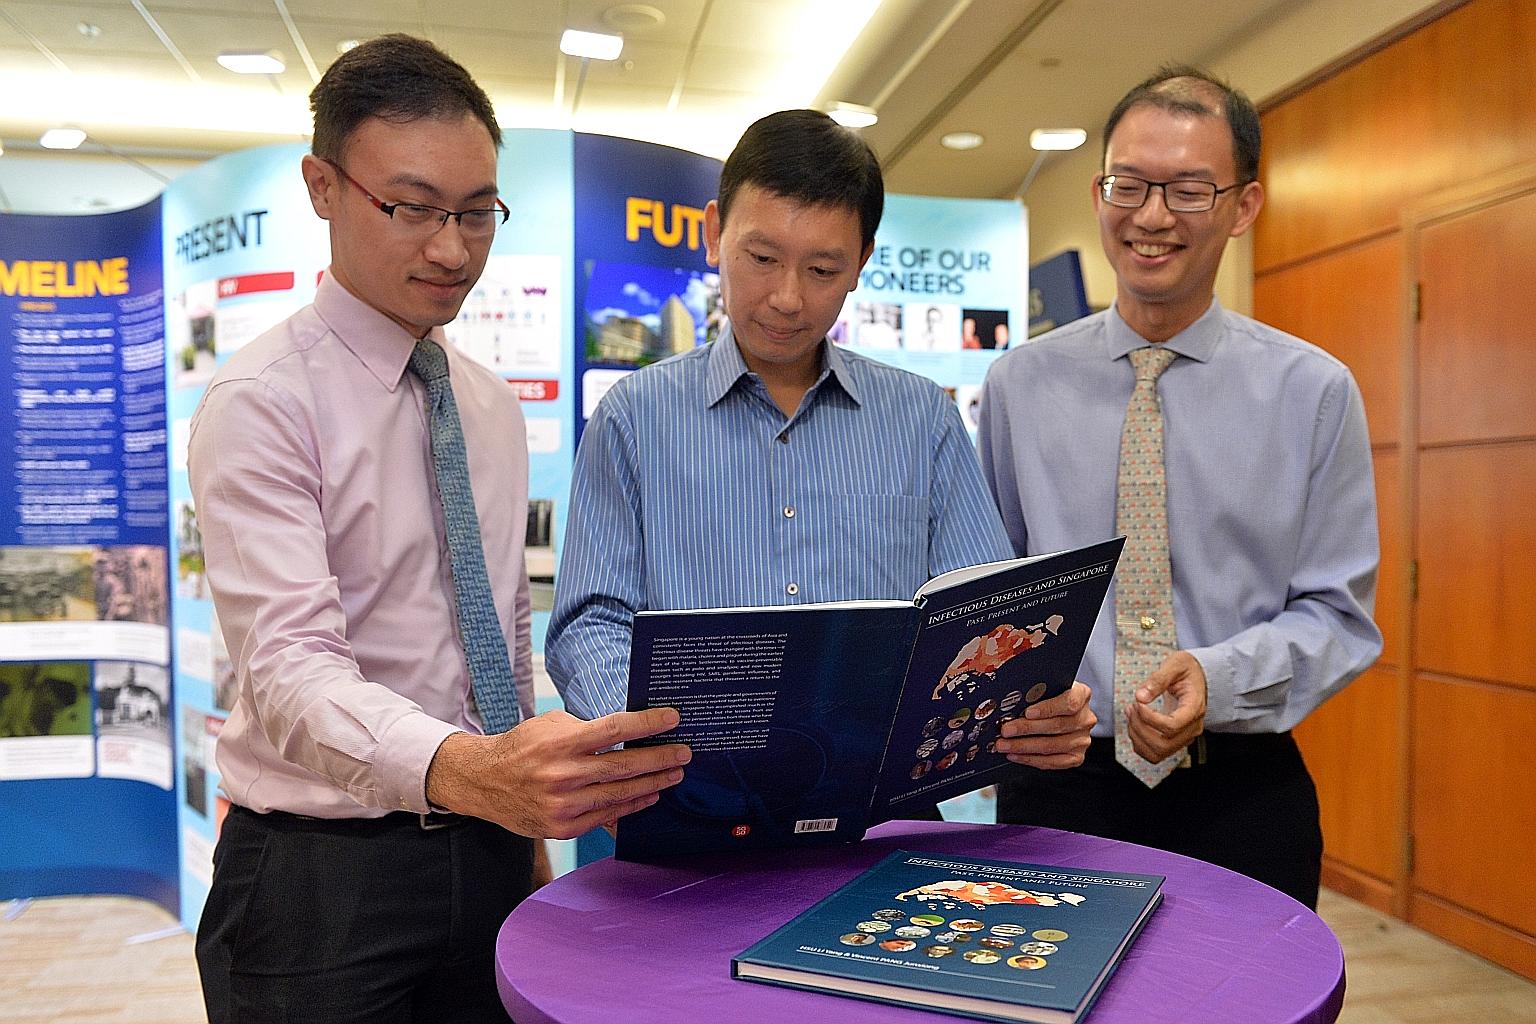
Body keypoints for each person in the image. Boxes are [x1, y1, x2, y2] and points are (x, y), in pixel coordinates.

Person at [188, 35, 688, 1023]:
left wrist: (521, 822)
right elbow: (288, 671)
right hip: (319, 879)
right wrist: (471, 771)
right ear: (323, 187)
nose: (452, 248)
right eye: (412, 207)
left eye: (475, 213)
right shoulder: (261, 402)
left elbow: (494, 625)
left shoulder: (486, 403)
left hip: (488, 847)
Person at [547, 108, 1096, 797]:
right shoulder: (634, 417)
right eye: (763, 258)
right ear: (714, 233)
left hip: (883, 813)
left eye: (822, 269)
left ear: (861, 263)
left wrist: (1032, 698)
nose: (787, 298)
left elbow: (980, 614)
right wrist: (646, 738)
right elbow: (589, 623)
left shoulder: (921, 418)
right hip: (697, 799)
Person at [977, 66, 1381, 908]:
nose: (1152, 215)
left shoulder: (1314, 392)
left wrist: (1219, 675)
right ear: (1099, 193)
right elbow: (991, 591)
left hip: (1241, 788)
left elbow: (1339, 616)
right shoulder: (1020, 385)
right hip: (1058, 788)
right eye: (1130, 184)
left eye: (1190, 189)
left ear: (1243, 206)